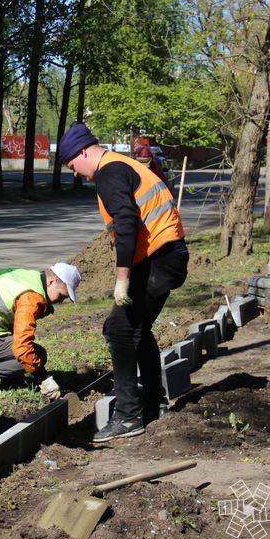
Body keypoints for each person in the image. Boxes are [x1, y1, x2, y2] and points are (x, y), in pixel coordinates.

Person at [58, 124, 188, 442]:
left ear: (84, 152)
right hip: (166, 256)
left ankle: (129, 416)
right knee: (137, 330)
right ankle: (154, 403)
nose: (74, 173)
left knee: (118, 329)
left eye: (72, 165)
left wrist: (122, 279)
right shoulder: (122, 165)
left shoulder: (110, 172)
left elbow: (127, 223)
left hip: (160, 259)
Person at [0, 263, 82, 401]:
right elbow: (22, 348)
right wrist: (43, 378)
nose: (60, 301)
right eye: (61, 295)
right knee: (38, 354)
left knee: (21, 345)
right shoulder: (30, 298)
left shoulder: (28, 278)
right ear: (51, 282)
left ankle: (11, 379)